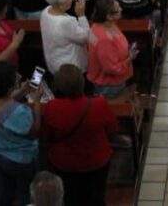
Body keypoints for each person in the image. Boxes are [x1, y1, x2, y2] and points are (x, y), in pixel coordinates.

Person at [41, 64, 118, 206]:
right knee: (96, 199)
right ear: (82, 82)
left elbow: (46, 136)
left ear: (58, 86)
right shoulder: (99, 104)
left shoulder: (52, 107)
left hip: (65, 163)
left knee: (70, 198)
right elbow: (112, 131)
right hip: (97, 161)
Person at [0, 61, 41, 206]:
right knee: (25, 193)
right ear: (9, 88)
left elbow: (4, 101)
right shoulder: (19, 112)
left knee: (4, 190)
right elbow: (35, 130)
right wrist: (37, 101)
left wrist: (23, 91)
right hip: (19, 159)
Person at [87, 0, 136, 99]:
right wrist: (129, 59)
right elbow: (111, 68)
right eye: (118, 10)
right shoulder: (104, 39)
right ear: (109, 16)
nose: (121, 9)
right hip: (110, 86)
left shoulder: (104, 25)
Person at [40, 0, 90, 75]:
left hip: (54, 60)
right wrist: (81, 15)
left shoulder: (45, 11)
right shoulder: (66, 22)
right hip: (69, 68)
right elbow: (85, 38)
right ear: (61, 4)